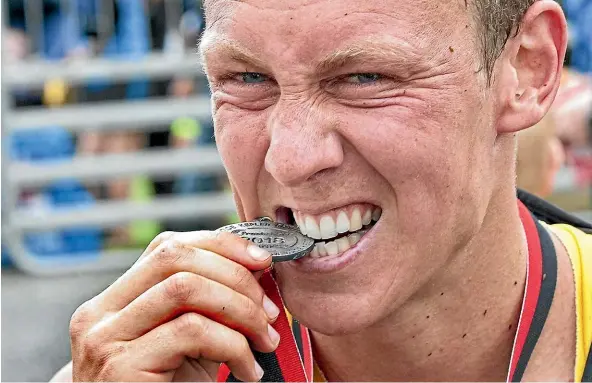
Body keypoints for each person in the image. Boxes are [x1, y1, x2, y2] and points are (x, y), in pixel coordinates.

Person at [52, 0, 592, 381]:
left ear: (528, 69)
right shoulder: (145, 363)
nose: (290, 159)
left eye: (365, 78)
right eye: (246, 79)